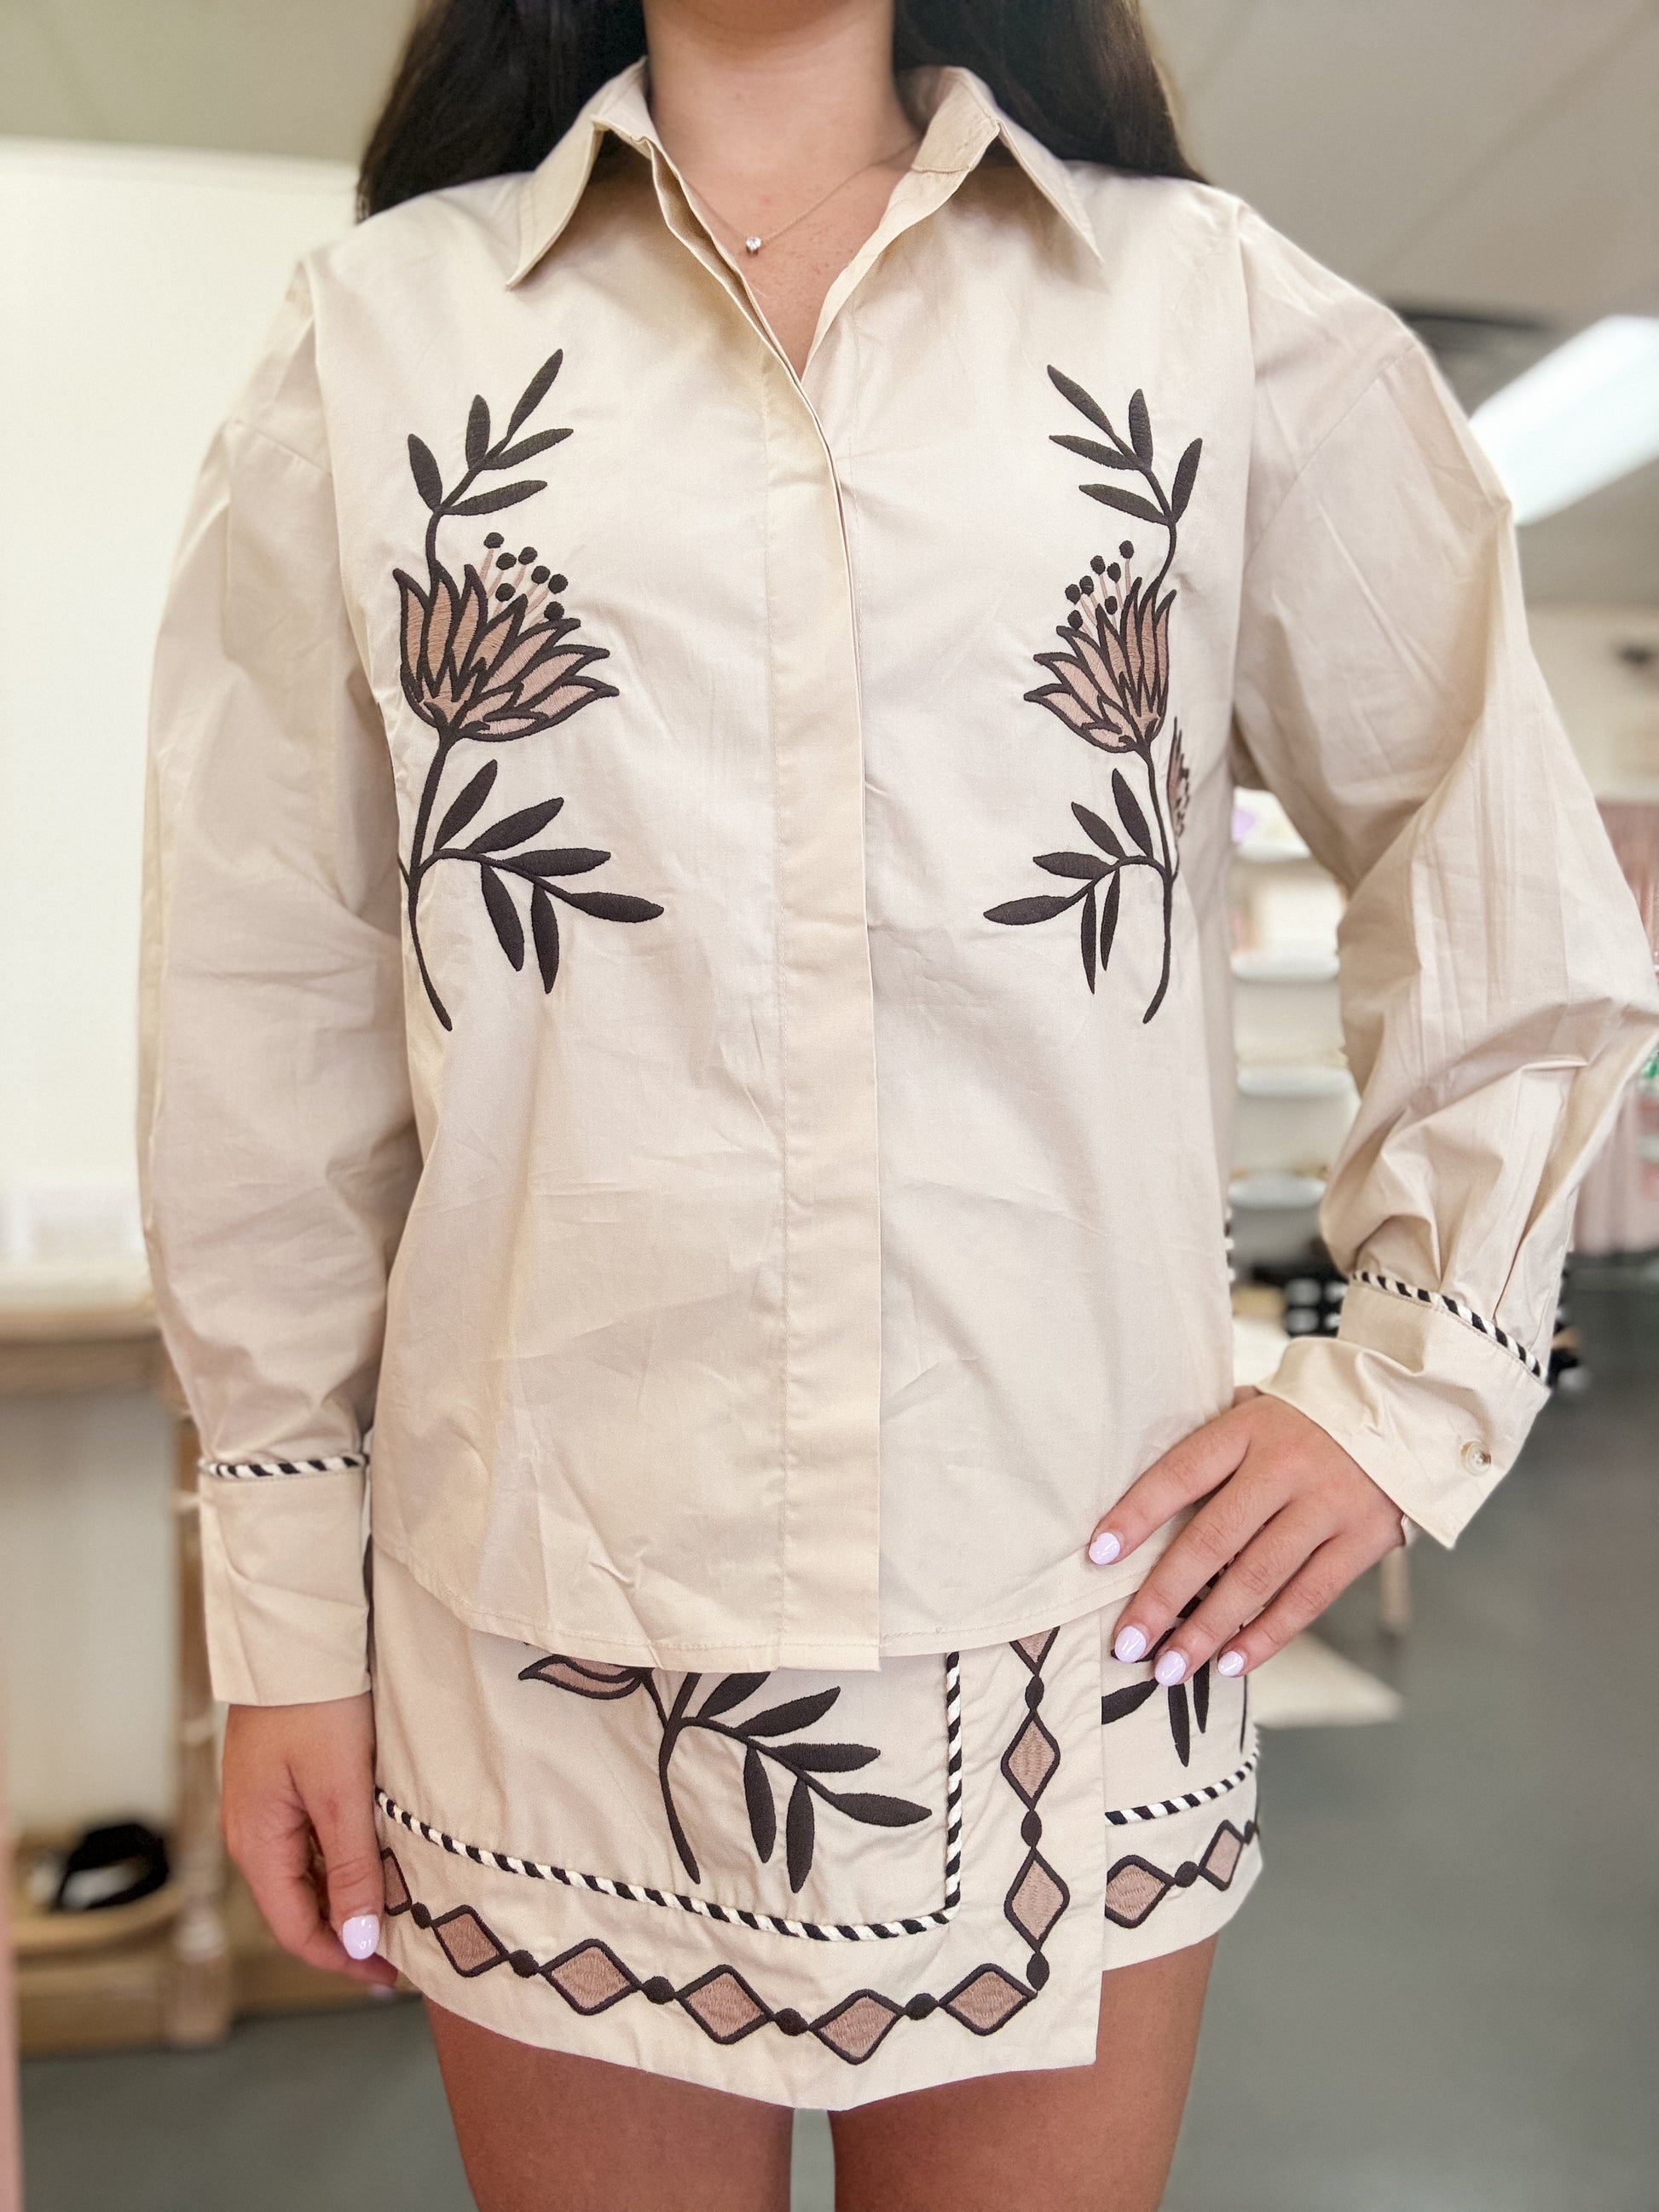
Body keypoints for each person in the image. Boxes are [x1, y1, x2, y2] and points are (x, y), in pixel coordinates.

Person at [138, 3, 1659, 2206]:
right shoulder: (379, 335)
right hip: (540, 1608)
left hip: (1072, 1605)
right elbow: (260, 999)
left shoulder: (1198, 306)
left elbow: (1492, 852)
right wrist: (281, 1612)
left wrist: (1410, 1381)